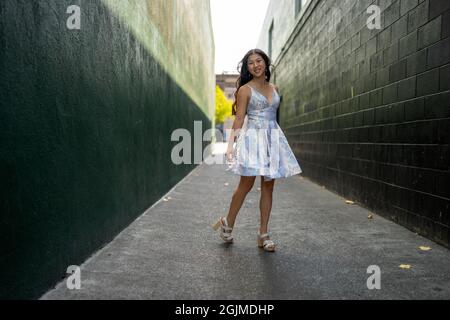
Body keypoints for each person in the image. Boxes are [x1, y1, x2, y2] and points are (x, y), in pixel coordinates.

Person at [212, 49, 302, 252]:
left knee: (269, 187)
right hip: (252, 139)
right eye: (250, 63)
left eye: (258, 61)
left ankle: (263, 234)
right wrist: (230, 145)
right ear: (247, 68)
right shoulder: (245, 90)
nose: (255, 65)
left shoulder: (275, 87)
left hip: (272, 138)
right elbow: (239, 118)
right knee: (246, 184)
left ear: (265, 63)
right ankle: (228, 223)